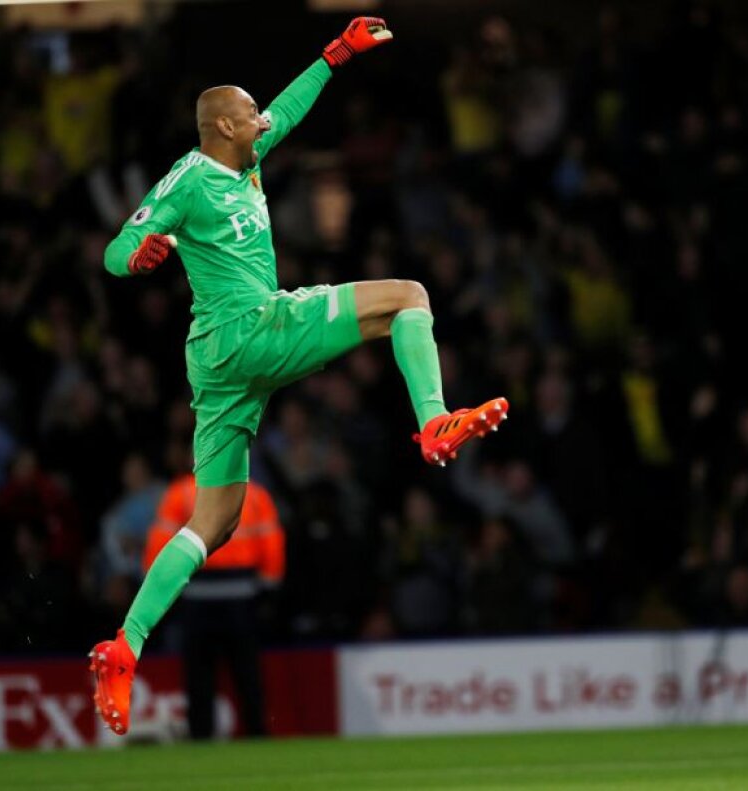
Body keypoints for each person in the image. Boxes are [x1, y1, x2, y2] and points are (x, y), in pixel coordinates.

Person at [89, 17, 509, 735]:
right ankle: (433, 419)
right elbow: (116, 245)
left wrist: (332, 56)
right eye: (251, 112)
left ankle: (124, 645)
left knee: (213, 521)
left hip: (217, 364)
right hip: (252, 330)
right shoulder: (190, 179)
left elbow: (291, 105)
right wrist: (138, 254)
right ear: (223, 123)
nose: (263, 119)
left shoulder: (243, 158)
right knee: (408, 296)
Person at [143, 473, 282, 740]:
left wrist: (157, 591)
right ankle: (257, 735)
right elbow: (272, 543)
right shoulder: (253, 493)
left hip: (197, 598)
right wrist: (268, 589)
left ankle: (201, 739)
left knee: (200, 677)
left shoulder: (180, 492)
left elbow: (160, 544)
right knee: (246, 675)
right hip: (240, 598)